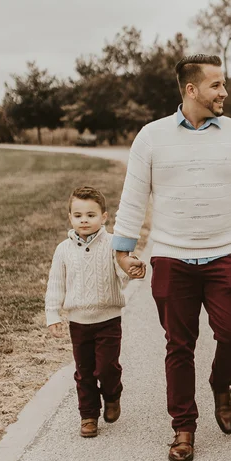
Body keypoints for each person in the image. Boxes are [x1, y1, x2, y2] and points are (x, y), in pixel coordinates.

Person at [111, 54, 231, 461]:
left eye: (223, 84)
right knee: (179, 345)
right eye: (216, 85)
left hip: (225, 253)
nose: (224, 92)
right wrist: (123, 251)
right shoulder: (152, 137)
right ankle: (184, 428)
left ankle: (221, 383)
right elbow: (133, 196)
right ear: (191, 90)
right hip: (172, 258)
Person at [45, 186, 145, 438]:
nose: (84, 220)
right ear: (70, 217)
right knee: (85, 372)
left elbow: (122, 270)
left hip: (108, 320)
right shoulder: (63, 250)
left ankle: (112, 395)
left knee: (107, 367)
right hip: (79, 323)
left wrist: (132, 270)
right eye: (78, 215)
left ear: (104, 217)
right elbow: (56, 284)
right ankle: (88, 415)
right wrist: (53, 315)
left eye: (90, 215)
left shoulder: (113, 244)